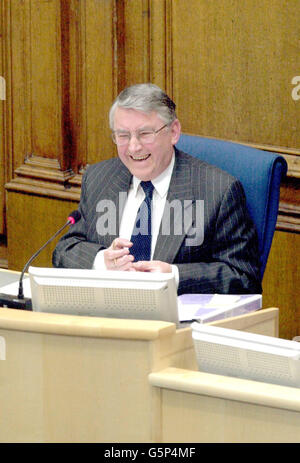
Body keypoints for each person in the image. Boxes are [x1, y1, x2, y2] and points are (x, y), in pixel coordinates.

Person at [52, 83, 262, 295]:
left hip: (174, 323)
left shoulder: (218, 191)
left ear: (173, 132)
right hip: (107, 316)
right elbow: (65, 250)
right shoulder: (99, 178)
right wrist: (102, 261)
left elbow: (244, 277)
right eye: (123, 136)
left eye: (145, 134)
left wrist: (174, 276)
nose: (133, 147)